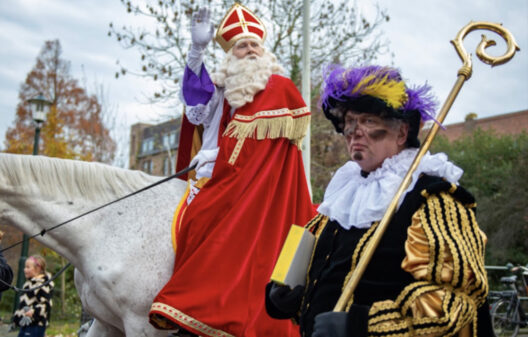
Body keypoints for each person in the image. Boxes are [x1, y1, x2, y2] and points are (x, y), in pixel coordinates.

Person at [265, 64, 493, 337]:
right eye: (350, 122)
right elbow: (318, 274)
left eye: (369, 121)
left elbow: (452, 302)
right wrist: (287, 296)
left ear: (401, 133)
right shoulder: (342, 198)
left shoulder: (435, 199)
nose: (354, 132)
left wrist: (362, 325)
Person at [149, 3, 315, 337]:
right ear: (230, 55)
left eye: (255, 44)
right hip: (209, 174)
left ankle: (198, 307)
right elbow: (196, 103)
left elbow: (267, 152)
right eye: (242, 45)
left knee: (202, 218)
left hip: (254, 184)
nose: (251, 49)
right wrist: (197, 50)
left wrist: (219, 156)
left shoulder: (277, 88)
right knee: (191, 219)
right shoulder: (221, 87)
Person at [13, 255, 54, 337]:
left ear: (38, 268)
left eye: (28, 267)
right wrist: (17, 316)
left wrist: (33, 312)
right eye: (25, 267)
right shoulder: (28, 283)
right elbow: (23, 303)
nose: (25, 270)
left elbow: (46, 304)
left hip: (36, 324)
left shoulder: (41, 284)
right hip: (25, 322)